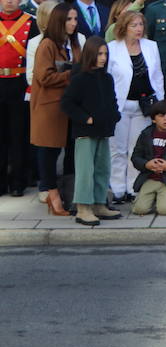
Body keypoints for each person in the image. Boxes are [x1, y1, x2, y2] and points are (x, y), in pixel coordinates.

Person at [59, 38, 121, 226]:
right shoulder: (80, 78)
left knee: (102, 169)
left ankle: (99, 203)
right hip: (85, 132)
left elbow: (112, 101)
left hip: (103, 130)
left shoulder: (106, 78)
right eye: (99, 54)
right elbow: (67, 103)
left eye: (105, 54)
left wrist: (114, 115)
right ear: (90, 54)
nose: (103, 58)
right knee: (86, 171)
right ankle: (83, 207)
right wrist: (86, 118)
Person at [106, 10, 164, 204]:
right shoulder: (112, 48)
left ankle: (133, 187)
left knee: (136, 149)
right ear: (123, 27)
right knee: (117, 149)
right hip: (119, 106)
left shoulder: (151, 46)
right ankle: (117, 188)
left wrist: (160, 105)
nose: (138, 29)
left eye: (140, 25)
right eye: (133, 25)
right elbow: (107, 79)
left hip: (144, 106)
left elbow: (157, 76)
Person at [32, 2, 83, 212]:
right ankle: (52, 195)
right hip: (50, 107)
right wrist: (73, 73)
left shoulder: (73, 43)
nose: (72, 23)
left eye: (75, 19)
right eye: (68, 19)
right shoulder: (47, 44)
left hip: (69, 106)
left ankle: (68, 194)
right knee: (49, 152)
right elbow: (44, 77)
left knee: (72, 151)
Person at [0, 0, 38, 198]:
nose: (9, 1)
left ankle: (18, 182)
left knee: (18, 136)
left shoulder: (30, 22)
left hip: (19, 83)